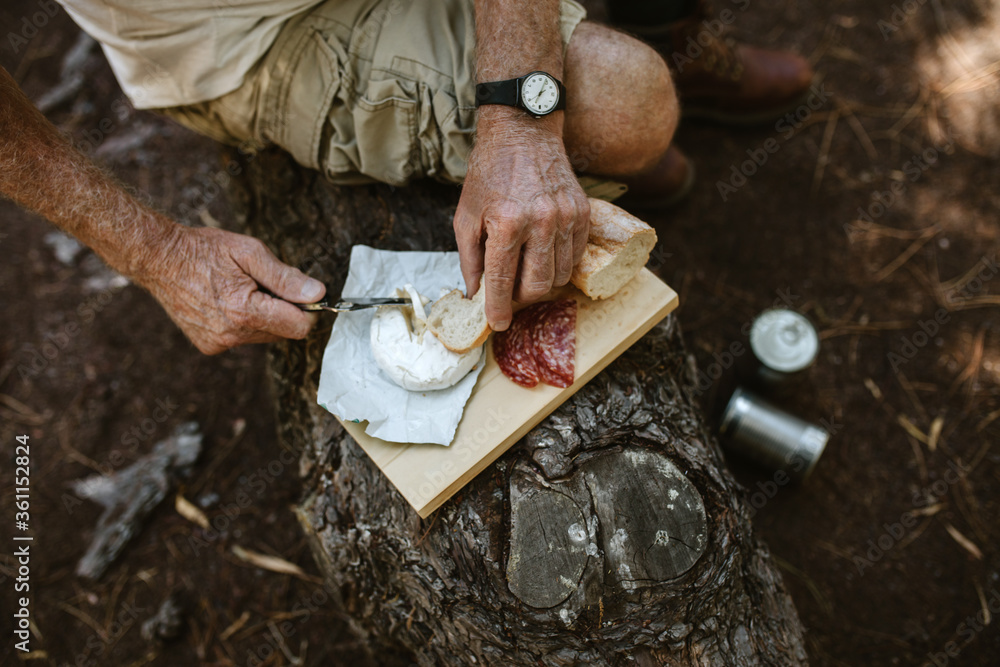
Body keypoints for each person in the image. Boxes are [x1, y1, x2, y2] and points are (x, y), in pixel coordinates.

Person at [0, 0, 812, 354]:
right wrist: (157, 251)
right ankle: (641, 124)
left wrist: (520, 119)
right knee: (631, 104)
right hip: (251, 28)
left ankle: (673, 28)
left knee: (631, 105)